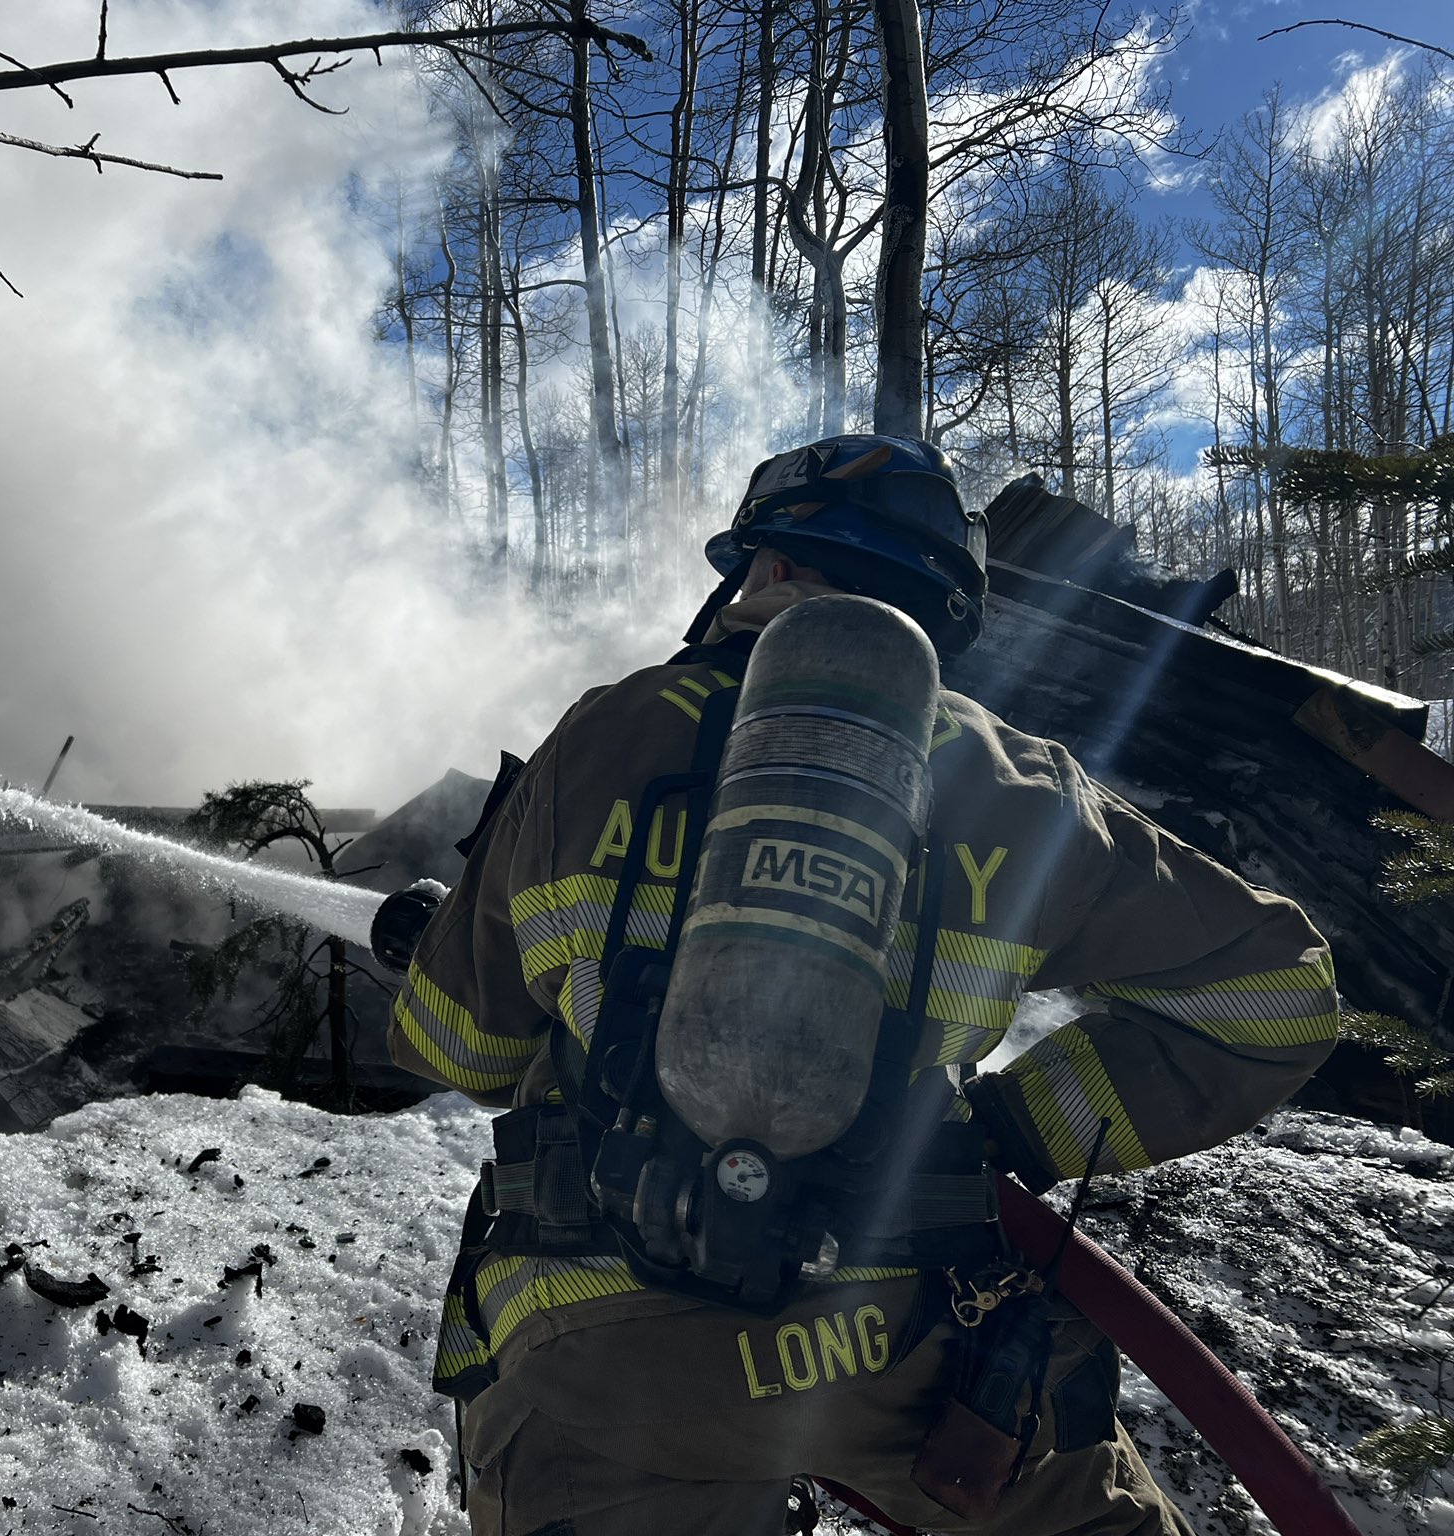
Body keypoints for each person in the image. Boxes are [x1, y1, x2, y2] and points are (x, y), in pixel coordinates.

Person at [385, 434, 1339, 1536]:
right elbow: (1278, 990)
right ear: (942, 606)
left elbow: (459, 1050)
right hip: (899, 1335)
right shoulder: (1013, 783)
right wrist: (1009, 1132)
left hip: (607, 1351)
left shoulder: (606, 733)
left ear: (772, 567)